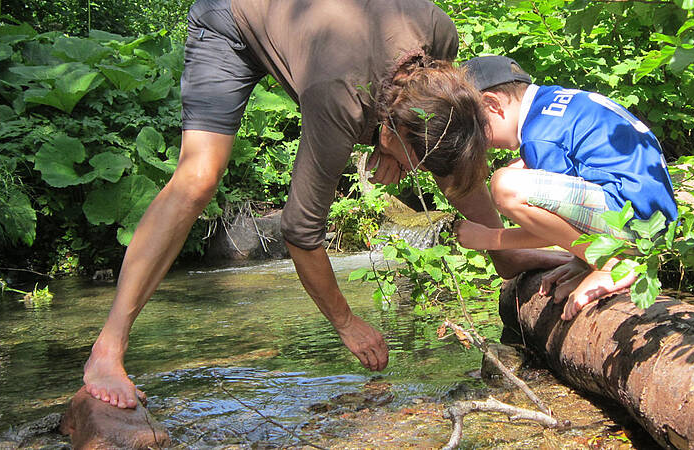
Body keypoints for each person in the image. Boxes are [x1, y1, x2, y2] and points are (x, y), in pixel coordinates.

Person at [83, 0, 572, 409]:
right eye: (409, 155)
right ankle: (109, 347)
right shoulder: (338, 97)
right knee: (198, 178)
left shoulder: (438, 33)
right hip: (233, 18)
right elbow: (300, 231)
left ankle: (506, 256)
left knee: (449, 150)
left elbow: (440, 134)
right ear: (386, 128)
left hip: (327, 41)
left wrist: (397, 150)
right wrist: (347, 322)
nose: (420, 174)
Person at [454, 55, 678, 321]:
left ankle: (608, 264)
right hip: (650, 217)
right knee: (519, 169)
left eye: (475, 129)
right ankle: (592, 259)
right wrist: (578, 259)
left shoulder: (540, 135)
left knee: (506, 185)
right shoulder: (554, 103)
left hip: (633, 219)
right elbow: (569, 214)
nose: (482, 144)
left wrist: (490, 238)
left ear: (492, 104)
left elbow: (552, 223)